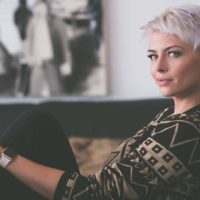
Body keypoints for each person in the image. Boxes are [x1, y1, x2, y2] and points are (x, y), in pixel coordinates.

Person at [1, 3, 200, 200]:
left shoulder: (189, 130)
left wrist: (4, 157)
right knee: (39, 126)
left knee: (36, 126)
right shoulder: (168, 116)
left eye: (174, 53)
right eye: (152, 56)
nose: (159, 66)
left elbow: (96, 194)